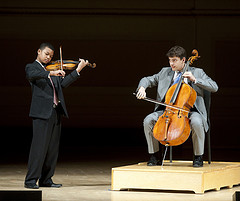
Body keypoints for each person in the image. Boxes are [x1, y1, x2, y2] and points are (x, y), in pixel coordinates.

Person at [136, 46, 218, 167]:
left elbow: (214, 86)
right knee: (148, 120)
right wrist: (142, 88)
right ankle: (155, 155)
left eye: (174, 60)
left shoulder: (197, 72)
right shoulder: (165, 72)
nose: (171, 63)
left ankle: (198, 157)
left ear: (183, 60)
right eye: (170, 60)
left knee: (196, 122)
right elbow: (147, 79)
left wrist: (195, 80)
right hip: (167, 110)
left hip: (191, 110)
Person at [24, 43, 89, 189]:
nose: (49, 57)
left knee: (52, 149)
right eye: (46, 54)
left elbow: (63, 84)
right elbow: (31, 75)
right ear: (39, 51)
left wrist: (78, 70)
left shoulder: (51, 69)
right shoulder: (32, 67)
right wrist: (50, 73)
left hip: (55, 111)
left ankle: (46, 179)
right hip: (41, 113)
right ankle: (30, 180)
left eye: (51, 56)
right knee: (39, 148)